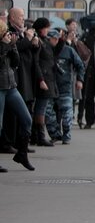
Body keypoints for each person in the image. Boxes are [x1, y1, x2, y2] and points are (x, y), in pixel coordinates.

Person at [0, 20, 35, 171]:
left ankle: (22, 154)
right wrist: (5, 47)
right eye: (5, 33)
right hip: (0, 88)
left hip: (11, 87)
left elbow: (15, 63)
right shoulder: (2, 47)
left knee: (27, 119)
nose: (9, 35)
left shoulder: (8, 46)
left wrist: (13, 46)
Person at [46, 28, 84, 143]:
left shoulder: (68, 50)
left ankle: (67, 135)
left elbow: (80, 65)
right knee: (48, 113)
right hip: (50, 88)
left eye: (54, 39)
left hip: (65, 87)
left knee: (67, 115)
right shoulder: (46, 50)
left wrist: (80, 80)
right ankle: (56, 134)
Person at [31, 17, 58, 147]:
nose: (48, 30)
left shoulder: (44, 41)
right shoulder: (38, 42)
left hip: (48, 77)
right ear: (41, 28)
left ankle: (37, 135)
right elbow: (36, 62)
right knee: (40, 108)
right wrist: (41, 79)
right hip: (43, 78)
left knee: (41, 107)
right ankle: (40, 136)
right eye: (46, 27)